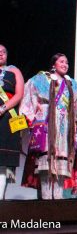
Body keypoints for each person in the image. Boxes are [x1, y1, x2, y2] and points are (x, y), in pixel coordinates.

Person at [20, 53, 77, 200]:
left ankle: (59, 197)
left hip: (65, 126)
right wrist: (31, 116)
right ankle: (46, 198)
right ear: (53, 64)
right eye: (61, 61)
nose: (65, 64)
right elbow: (29, 95)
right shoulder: (41, 79)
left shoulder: (72, 84)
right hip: (47, 123)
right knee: (46, 161)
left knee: (62, 162)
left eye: (67, 62)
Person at [0, 44, 25, 200]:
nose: (0, 54)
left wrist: (2, 108)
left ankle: (1, 198)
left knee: (3, 160)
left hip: (7, 118)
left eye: (3, 52)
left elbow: (19, 94)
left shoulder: (14, 71)